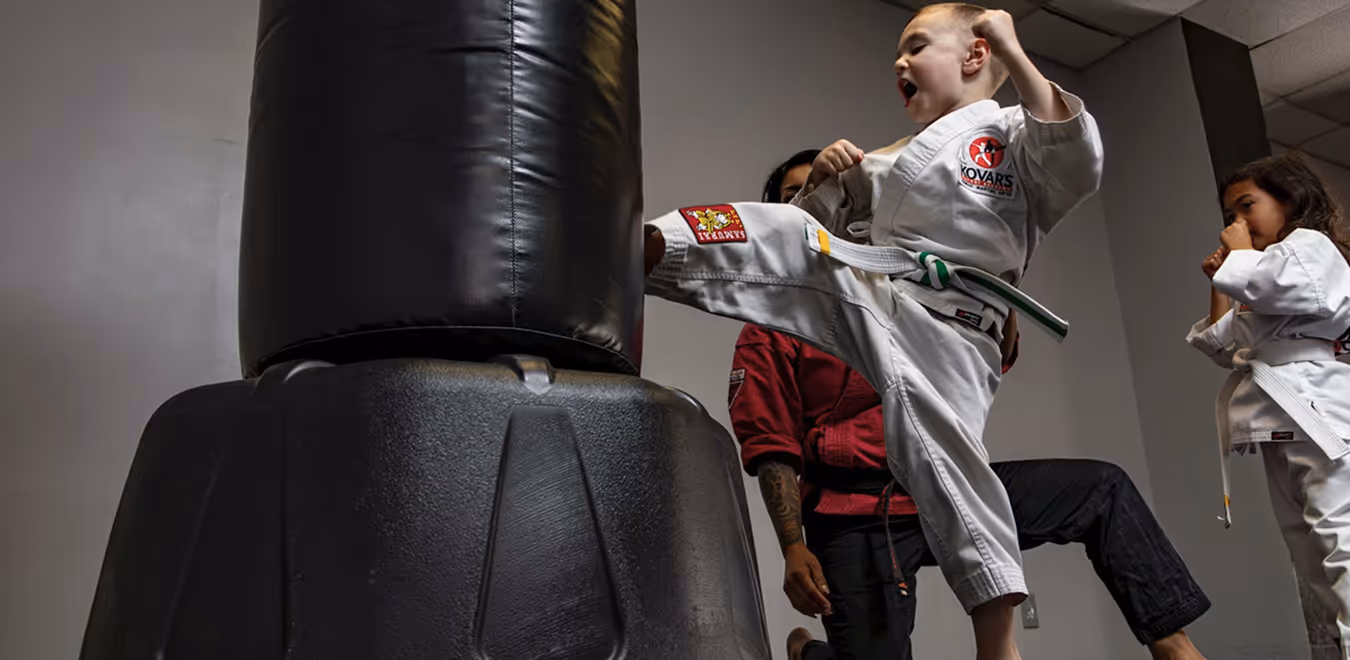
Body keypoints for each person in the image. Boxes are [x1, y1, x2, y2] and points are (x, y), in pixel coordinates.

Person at [641, 5, 1103, 657]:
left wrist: (1011, 45)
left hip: (957, 323)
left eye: (916, 46)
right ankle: (658, 246)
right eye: (898, 53)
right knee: (786, 232)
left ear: (974, 56)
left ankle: (997, 640)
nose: (900, 62)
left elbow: (1075, 159)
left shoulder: (1012, 134)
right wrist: (827, 179)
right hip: (875, 287)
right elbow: (816, 231)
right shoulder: (889, 159)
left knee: (938, 447)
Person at [743, 152, 1208, 660]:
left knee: (1101, 489)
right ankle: (810, 655)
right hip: (854, 508)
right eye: (795, 194)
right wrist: (792, 545)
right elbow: (773, 444)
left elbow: (981, 351)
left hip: (949, 480)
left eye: (826, 186)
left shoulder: (906, 285)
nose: (813, 198)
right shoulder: (771, 323)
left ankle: (1175, 647)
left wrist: (995, 307)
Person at [1188, 152, 1350, 655]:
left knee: (1341, 539)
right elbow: (1220, 345)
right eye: (1228, 215)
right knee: (1309, 552)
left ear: (1289, 198)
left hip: (1319, 409)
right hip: (1280, 420)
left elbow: (1313, 293)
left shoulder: (1307, 248)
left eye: (1246, 206)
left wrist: (1237, 262)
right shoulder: (1257, 276)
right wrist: (1221, 281)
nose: (1235, 224)